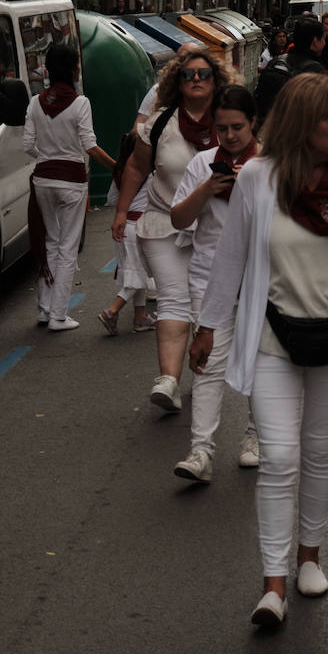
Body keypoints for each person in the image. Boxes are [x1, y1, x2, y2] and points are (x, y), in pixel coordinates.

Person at [189, 74, 328, 628]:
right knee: (279, 458)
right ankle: (273, 583)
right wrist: (208, 327)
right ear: (304, 123)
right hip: (273, 338)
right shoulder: (258, 179)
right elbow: (230, 259)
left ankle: (310, 555)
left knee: (319, 452)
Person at [113, 47, 229, 411]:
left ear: (216, 82)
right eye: (188, 75)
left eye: (203, 74)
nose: (195, 80)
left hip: (217, 229)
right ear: (176, 82)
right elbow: (136, 168)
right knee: (173, 297)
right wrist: (121, 212)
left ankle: (202, 370)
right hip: (164, 223)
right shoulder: (161, 123)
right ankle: (169, 380)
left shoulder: (231, 121)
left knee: (205, 304)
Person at [169, 86, 261, 482]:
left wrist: (249, 188)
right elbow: (177, 219)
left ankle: (256, 437)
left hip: (259, 280)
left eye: (237, 127)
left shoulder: (269, 165)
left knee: (260, 360)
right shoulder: (203, 164)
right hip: (208, 277)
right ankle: (201, 451)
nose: (230, 136)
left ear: (253, 123)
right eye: (222, 128)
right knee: (206, 363)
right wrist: (207, 189)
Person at [23, 44, 115, 331]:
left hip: (42, 180)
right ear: (74, 68)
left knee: (49, 242)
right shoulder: (80, 103)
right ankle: (59, 315)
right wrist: (117, 167)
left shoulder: (35, 102)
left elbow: (27, 146)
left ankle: (44, 308)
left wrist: (48, 155)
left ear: (49, 70)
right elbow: (90, 146)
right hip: (71, 182)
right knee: (67, 248)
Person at [98, 131, 156, 336]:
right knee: (139, 274)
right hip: (141, 227)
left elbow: (112, 200)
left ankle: (140, 317)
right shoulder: (149, 174)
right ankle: (111, 311)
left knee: (134, 271)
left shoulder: (119, 173)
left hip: (124, 227)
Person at [255, 17, 327, 123]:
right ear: (315, 41)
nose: (325, 43)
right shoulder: (316, 72)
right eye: (323, 39)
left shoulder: (275, 62)